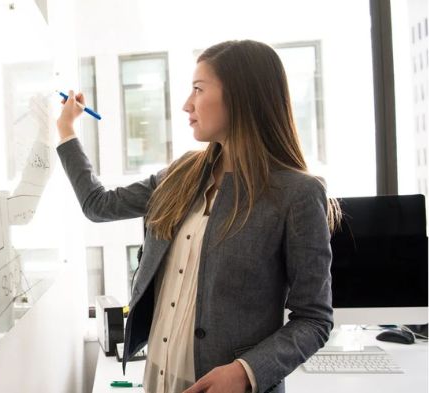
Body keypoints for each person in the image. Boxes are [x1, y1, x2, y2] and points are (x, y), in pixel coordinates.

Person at [55, 40, 341, 393]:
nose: (186, 104)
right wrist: (67, 130)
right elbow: (97, 205)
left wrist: (245, 372)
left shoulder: (296, 194)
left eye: (198, 89)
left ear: (241, 96)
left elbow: (314, 319)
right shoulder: (181, 174)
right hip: (157, 380)